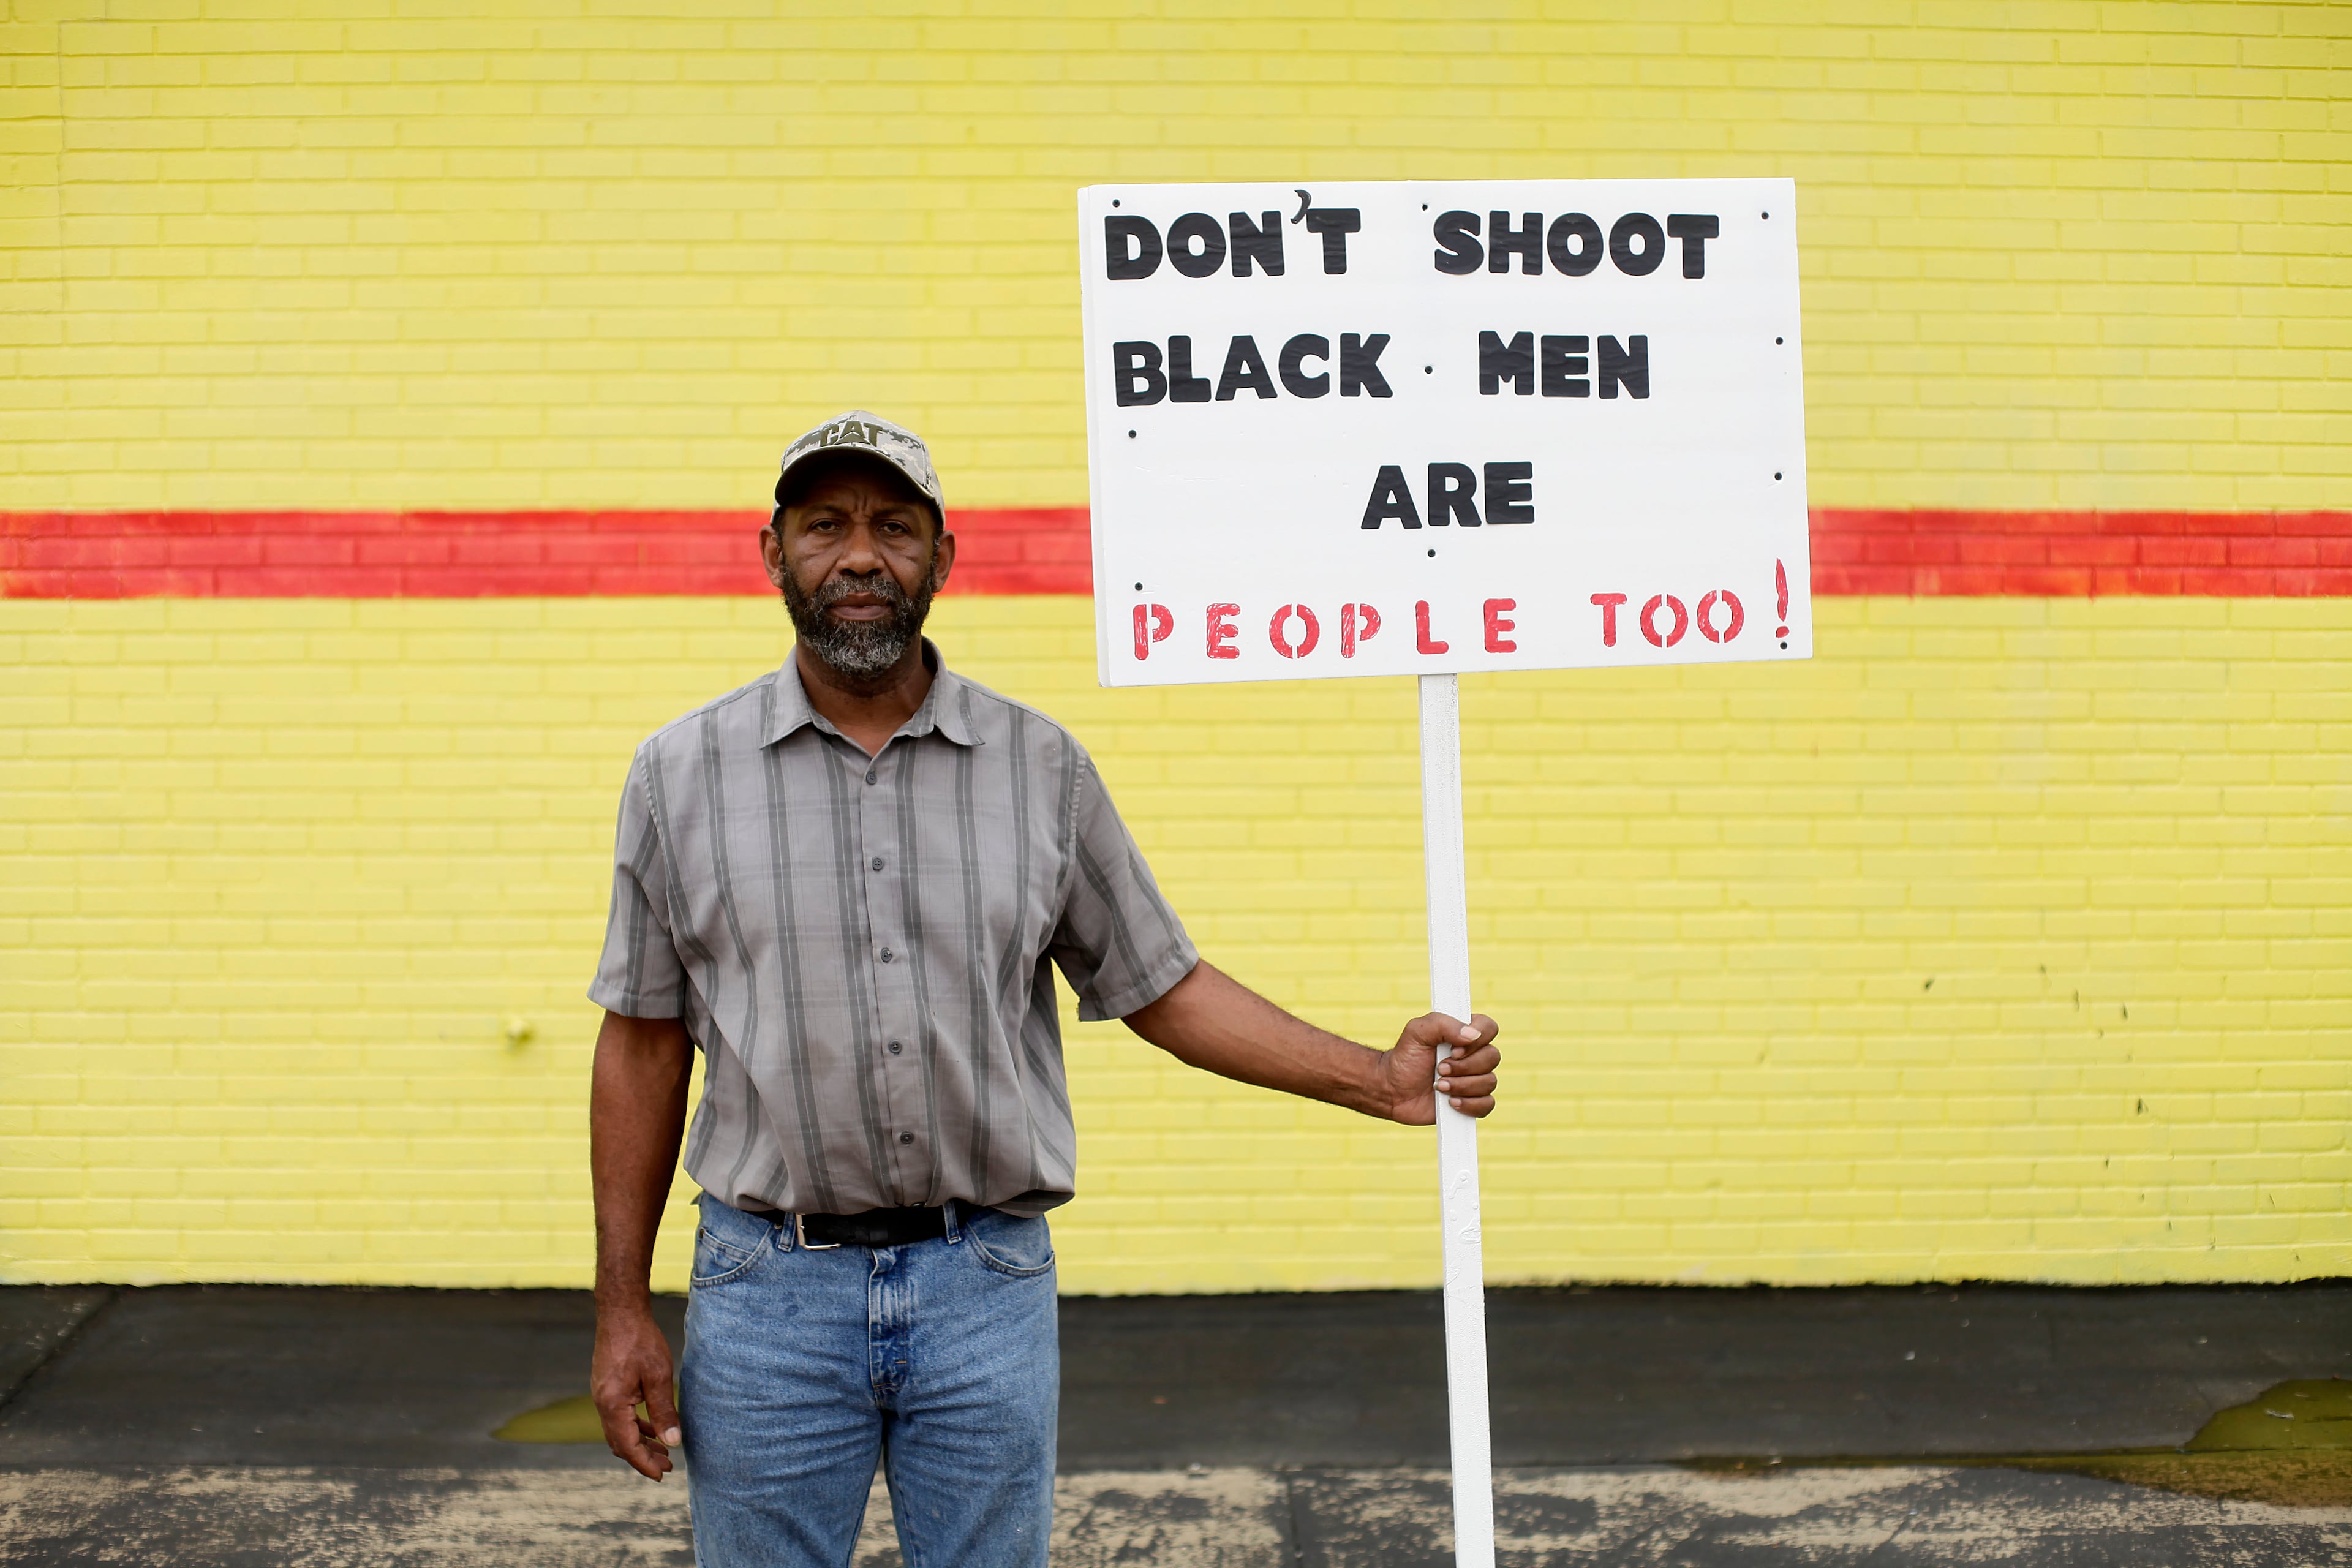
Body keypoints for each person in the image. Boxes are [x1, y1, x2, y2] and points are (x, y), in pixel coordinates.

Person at [587, 409, 1502, 1567]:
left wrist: (1374, 1079)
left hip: (985, 1287)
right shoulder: (679, 776)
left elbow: (1161, 987)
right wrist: (622, 1306)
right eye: (824, 526)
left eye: (895, 528)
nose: (860, 556)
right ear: (774, 555)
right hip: (767, 1293)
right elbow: (642, 1044)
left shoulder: (1040, 769)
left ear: (943, 558)